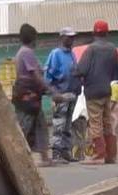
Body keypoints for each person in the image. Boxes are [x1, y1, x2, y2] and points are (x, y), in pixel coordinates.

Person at [73, 20, 118, 164]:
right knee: (107, 122)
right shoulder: (112, 49)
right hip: (107, 92)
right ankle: (111, 155)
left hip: (92, 92)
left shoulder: (91, 49)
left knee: (95, 123)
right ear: (107, 33)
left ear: (94, 33)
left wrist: (73, 72)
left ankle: (98, 155)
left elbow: (81, 70)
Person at [11, 23, 52, 166]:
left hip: (30, 97)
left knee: (40, 126)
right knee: (24, 128)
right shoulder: (26, 53)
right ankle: (16, 159)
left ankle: (44, 158)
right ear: (33, 38)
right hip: (28, 97)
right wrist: (49, 90)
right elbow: (35, 74)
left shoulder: (22, 52)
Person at [44, 27, 81, 163]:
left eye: (73, 37)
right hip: (61, 94)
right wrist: (54, 93)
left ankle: (65, 152)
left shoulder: (72, 54)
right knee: (59, 125)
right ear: (61, 38)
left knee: (67, 125)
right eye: (69, 37)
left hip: (72, 94)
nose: (71, 39)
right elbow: (48, 76)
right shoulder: (55, 54)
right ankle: (56, 153)